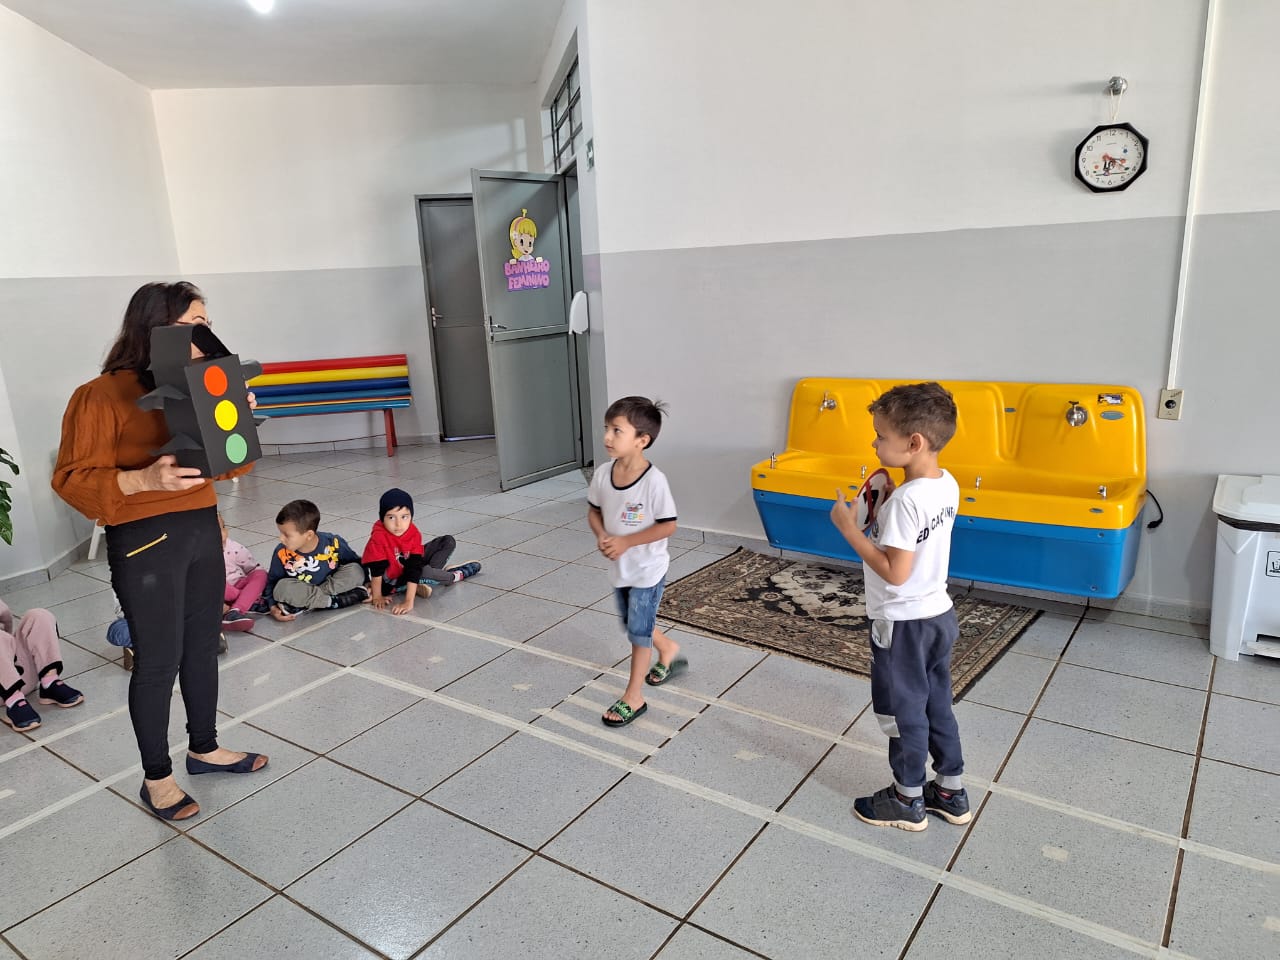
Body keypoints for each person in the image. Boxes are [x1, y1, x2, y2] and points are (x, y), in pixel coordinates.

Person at [52, 281, 268, 822]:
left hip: (200, 529)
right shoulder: (99, 395)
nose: (205, 335)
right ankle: (157, 779)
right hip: (145, 541)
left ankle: (204, 748)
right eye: (194, 324)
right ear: (155, 328)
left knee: (202, 645)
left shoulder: (202, 386)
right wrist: (143, 478)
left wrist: (235, 418)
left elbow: (234, 465)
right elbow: (71, 480)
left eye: (207, 324)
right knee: (158, 660)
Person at [828, 381, 967, 832]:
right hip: (938, 616)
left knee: (900, 713)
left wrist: (850, 531)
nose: (874, 443)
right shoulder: (946, 484)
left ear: (914, 443)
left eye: (880, 435)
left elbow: (895, 572)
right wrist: (886, 501)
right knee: (937, 704)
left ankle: (908, 798)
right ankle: (950, 790)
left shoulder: (906, 502)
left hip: (903, 625)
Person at [587, 396, 685, 728]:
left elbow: (668, 525)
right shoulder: (603, 473)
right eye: (607, 428)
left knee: (638, 633)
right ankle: (668, 648)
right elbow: (594, 511)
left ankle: (634, 696)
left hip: (647, 569)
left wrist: (627, 541)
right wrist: (602, 534)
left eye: (617, 430)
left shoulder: (654, 481)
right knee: (633, 622)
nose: (607, 437)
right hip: (621, 568)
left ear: (642, 440)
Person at [361, 488, 481, 616]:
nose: (398, 524)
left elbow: (414, 566)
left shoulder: (413, 532)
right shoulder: (379, 537)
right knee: (425, 572)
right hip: (395, 581)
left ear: (411, 516)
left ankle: (427, 579)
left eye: (404, 517)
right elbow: (376, 571)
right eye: (391, 517)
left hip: (410, 567)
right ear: (382, 518)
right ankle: (454, 576)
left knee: (447, 541)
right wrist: (379, 596)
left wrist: (409, 600)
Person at [265, 499, 369, 620]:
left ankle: (309, 603)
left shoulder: (333, 542)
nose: (281, 538)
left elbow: (355, 562)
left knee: (356, 570)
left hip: (330, 585)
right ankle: (334, 601)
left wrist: (368, 584)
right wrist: (272, 606)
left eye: (287, 535)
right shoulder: (281, 552)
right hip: (301, 589)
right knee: (282, 588)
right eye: (280, 533)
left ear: (309, 535)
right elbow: (273, 581)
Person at [1, 599, 84, 733]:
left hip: (17, 674)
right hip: (5, 690)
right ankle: (14, 702)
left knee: (39, 616)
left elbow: (5, 617)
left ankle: (49, 682)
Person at [219, 512, 265, 631]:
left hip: (239, 584)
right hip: (219, 592)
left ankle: (236, 610)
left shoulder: (233, 547)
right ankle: (249, 600)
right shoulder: (197, 554)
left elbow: (253, 569)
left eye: (223, 527)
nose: (222, 533)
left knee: (261, 574)